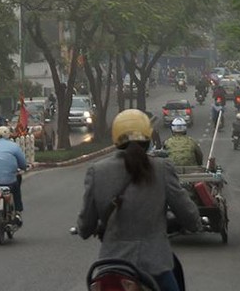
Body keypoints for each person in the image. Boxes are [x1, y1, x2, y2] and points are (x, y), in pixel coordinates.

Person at [75, 109, 201, 291]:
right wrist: (194, 224)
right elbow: (188, 214)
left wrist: (85, 229)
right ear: (148, 137)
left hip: (110, 266)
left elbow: (85, 226)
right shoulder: (162, 168)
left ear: (116, 138)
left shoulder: (97, 171)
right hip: (156, 266)